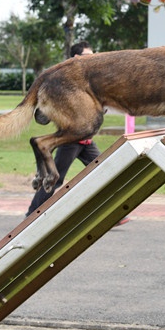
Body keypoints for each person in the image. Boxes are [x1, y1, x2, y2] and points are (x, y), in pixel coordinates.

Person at [25, 41, 131, 227]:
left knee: (105, 172)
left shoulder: (88, 80)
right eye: (87, 56)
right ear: (75, 58)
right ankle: (32, 216)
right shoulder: (68, 81)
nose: (92, 60)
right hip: (70, 141)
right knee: (55, 179)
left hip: (86, 140)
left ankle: (112, 214)